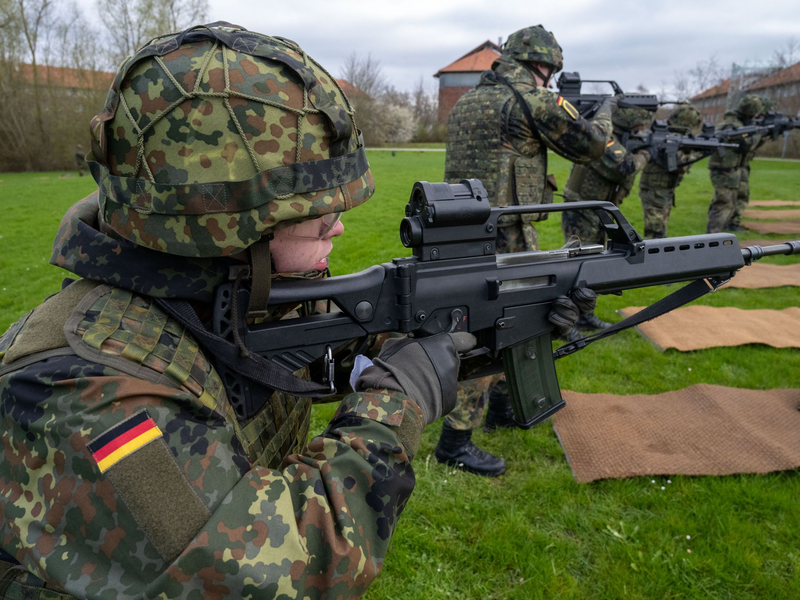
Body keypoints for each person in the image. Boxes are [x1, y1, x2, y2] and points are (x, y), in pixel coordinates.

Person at [0, 23, 479, 599]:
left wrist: (469, 328)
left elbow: (329, 338)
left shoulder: (213, 293)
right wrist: (393, 405)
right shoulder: (77, 396)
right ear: (225, 228)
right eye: (317, 211)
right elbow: (272, 573)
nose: (339, 223)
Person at [438, 24, 615, 476]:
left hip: (463, 230)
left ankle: (500, 410)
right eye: (551, 71)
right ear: (544, 64)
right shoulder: (530, 98)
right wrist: (607, 116)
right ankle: (455, 441)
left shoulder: (471, 100)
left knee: (509, 326)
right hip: (507, 234)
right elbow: (591, 146)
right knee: (492, 331)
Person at [560, 102, 654, 336]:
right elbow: (625, 166)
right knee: (575, 269)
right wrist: (646, 154)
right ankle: (565, 324)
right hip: (581, 212)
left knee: (593, 267)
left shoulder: (616, 139)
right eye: (640, 123)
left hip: (596, 211)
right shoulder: (604, 140)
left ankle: (584, 315)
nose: (643, 127)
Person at [639, 104, 704, 239]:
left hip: (662, 189)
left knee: (659, 230)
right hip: (655, 190)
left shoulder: (667, 134)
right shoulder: (664, 136)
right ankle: (653, 259)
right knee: (655, 232)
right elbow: (679, 163)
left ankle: (658, 257)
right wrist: (698, 153)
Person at [706, 93, 765, 233]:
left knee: (728, 203)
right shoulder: (733, 126)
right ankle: (712, 237)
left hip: (729, 169)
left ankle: (717, 235)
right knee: (723, 204)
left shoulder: (736, 123)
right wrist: (759, 133)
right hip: (725, 170)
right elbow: (747, 145)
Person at [726, 97, 774, 231]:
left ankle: (732, 222)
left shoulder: (742, 122)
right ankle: (730, 223)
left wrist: (763, 135)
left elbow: (753, 145)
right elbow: (746, 145)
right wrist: (760, 133)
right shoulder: (735, 123)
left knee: (740, 194)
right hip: (731, 165)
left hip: (740, 164)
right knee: (729, 198)